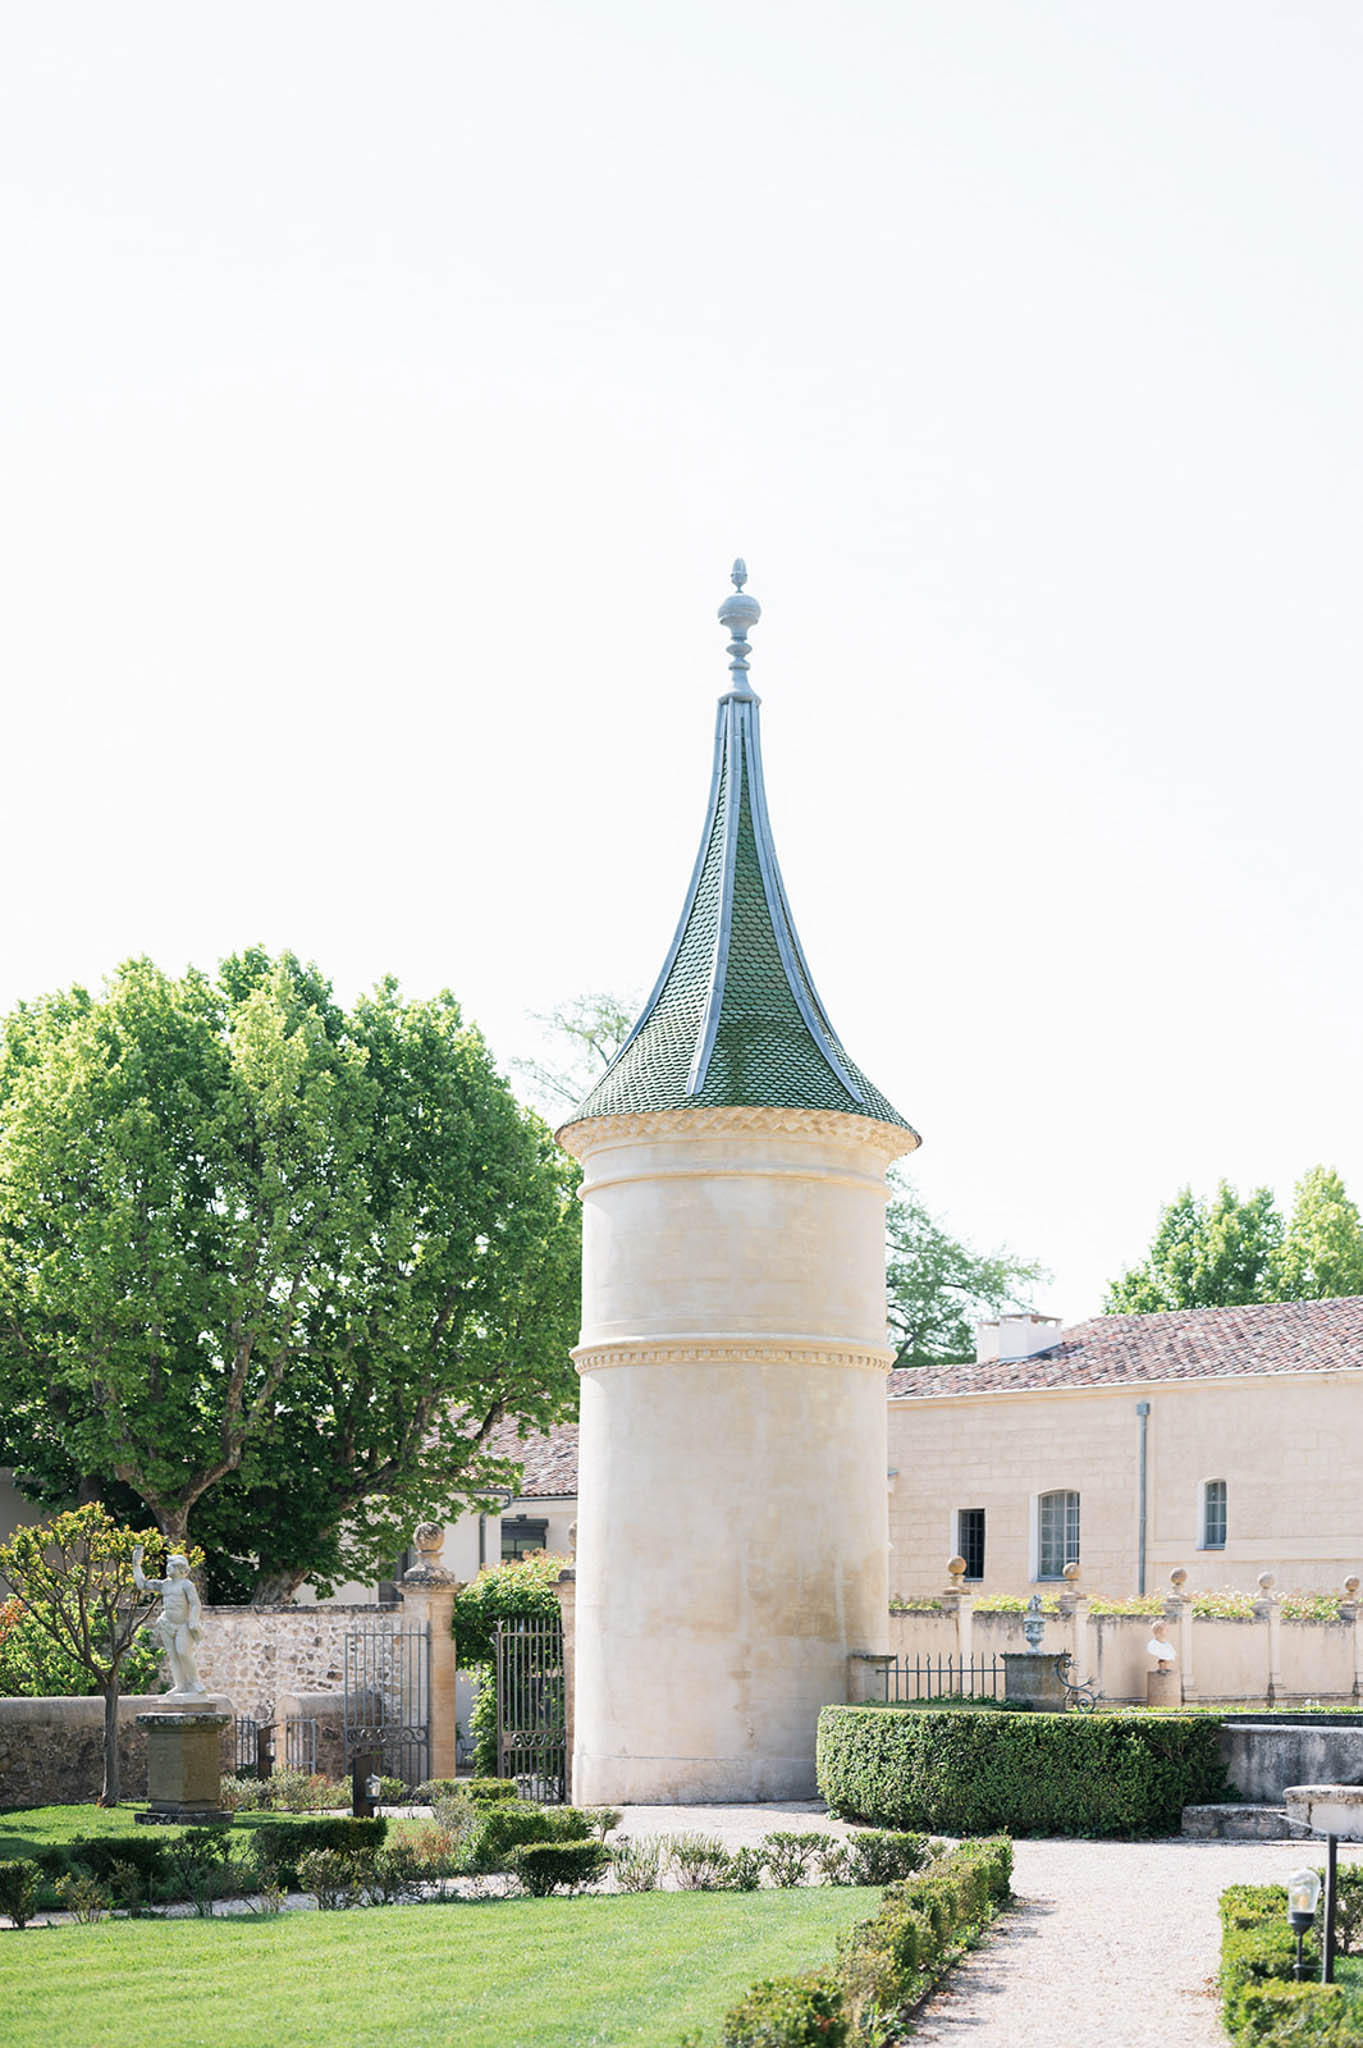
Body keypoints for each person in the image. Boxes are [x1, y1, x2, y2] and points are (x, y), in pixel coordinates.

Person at [133, 1546, 205, 1695]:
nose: (168, 1568)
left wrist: (193, 1620)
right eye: (168, 1565)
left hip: (182, 1625)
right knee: (173, 1656)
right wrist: (136, 1565)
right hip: (166, 1623)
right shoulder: (164, 1584)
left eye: (171, 1566)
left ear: (180, 1569)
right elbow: (142, 1584)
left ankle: (194, 1682)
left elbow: (196, 1604)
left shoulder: (187, 1585)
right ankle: (180, 1685)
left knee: (183, 1652)